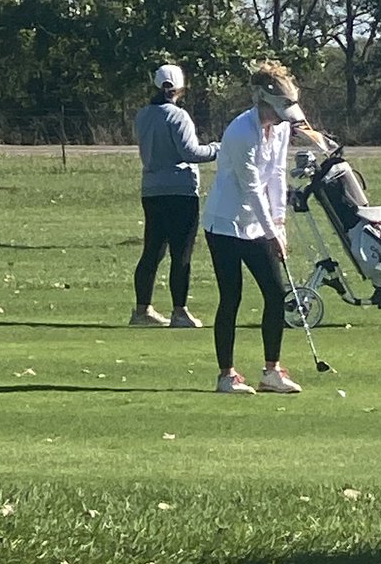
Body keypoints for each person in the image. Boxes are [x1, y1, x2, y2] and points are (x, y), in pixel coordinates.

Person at [202, 62, 306, 394]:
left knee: (275, 294)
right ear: (261, 100)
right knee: (231, 296)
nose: (281, 118)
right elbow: (251, 187)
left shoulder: (281, 128)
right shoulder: (240, 132)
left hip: (258, 225)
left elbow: (276, 175)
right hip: (224, 223)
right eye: (276, 111)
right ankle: (226, 376)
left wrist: (280, 223)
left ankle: (271, 372)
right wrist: (271, 232)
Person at [130, 63, 220, 327]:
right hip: (180, 190)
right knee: (181, 253)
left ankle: (142, 310)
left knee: (152, 250)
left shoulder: (143, 115)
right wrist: (218, 148)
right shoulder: (178, 116)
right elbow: (190, 153)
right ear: (180, 87)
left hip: (152, 189)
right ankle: (179, 311)